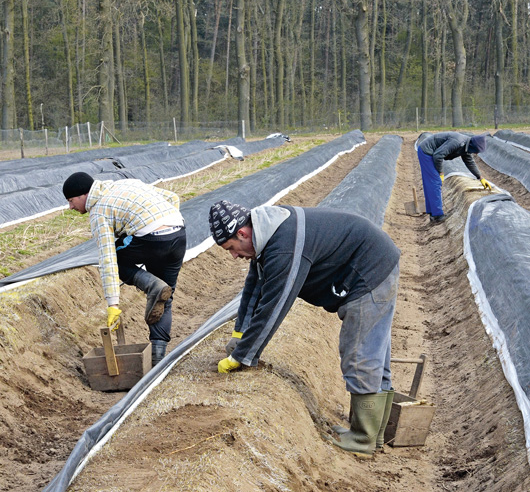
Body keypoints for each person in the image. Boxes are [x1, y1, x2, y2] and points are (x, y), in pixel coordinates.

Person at [208, 199, 400, 459]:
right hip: (374, 262)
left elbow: (274, 307)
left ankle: (363, 438)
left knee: (360, 353)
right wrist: (239, 335)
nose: (234, 256)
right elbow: (254, 287)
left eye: (231, 248)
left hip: (369, 273)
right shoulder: (269, 232)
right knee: (374, 350)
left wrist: (243, 356)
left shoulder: (284, 248)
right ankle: (372, 436)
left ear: (243, 233)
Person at [62, 172, 186, 366]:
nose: (70, 207)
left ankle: (153, 285)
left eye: (71, 201)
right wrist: (166, 226)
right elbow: (172, 198)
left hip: (150, 238)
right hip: (178, 234)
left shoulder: (98, 212)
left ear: (83, 195)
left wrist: (113, 304)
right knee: (164, 298)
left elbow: (108, 258)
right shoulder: (126, 184)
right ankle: (157, 361)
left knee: (116, 258)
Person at [417, 132, 493, 224]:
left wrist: (480, 178)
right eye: (477, 150)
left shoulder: (466, 146)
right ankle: (437, 215)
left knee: (431, 182)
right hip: (427, 152)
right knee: (435, 182)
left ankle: (432, 213)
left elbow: (470, 162)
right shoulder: (457, 142)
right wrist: (441, 173)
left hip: (430, 152)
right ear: (473, 146)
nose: (476, 153)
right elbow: (438, 155)